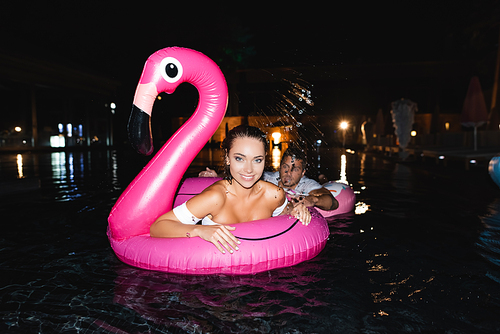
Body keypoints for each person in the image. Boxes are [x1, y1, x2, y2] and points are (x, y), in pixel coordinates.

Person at [150, 125, 311, 254]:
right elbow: (158, 226)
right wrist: (199, 230)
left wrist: (297, 210)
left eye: (257, 160)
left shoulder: (274, 194)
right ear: (227, 158)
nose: (248, 169)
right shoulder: (216, 198)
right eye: (239, 158)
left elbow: (286, 214)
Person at [200, 145, 338, 212]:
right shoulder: (268, 178)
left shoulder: (306, 184)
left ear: (302, 173)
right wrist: (215, 176)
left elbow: (333, 202)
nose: (288, 173)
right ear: (279, 166)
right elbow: (240, 177)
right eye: (285, 166)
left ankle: (323, 178)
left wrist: (312, 200)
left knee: (322, 181)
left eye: (295, 169)